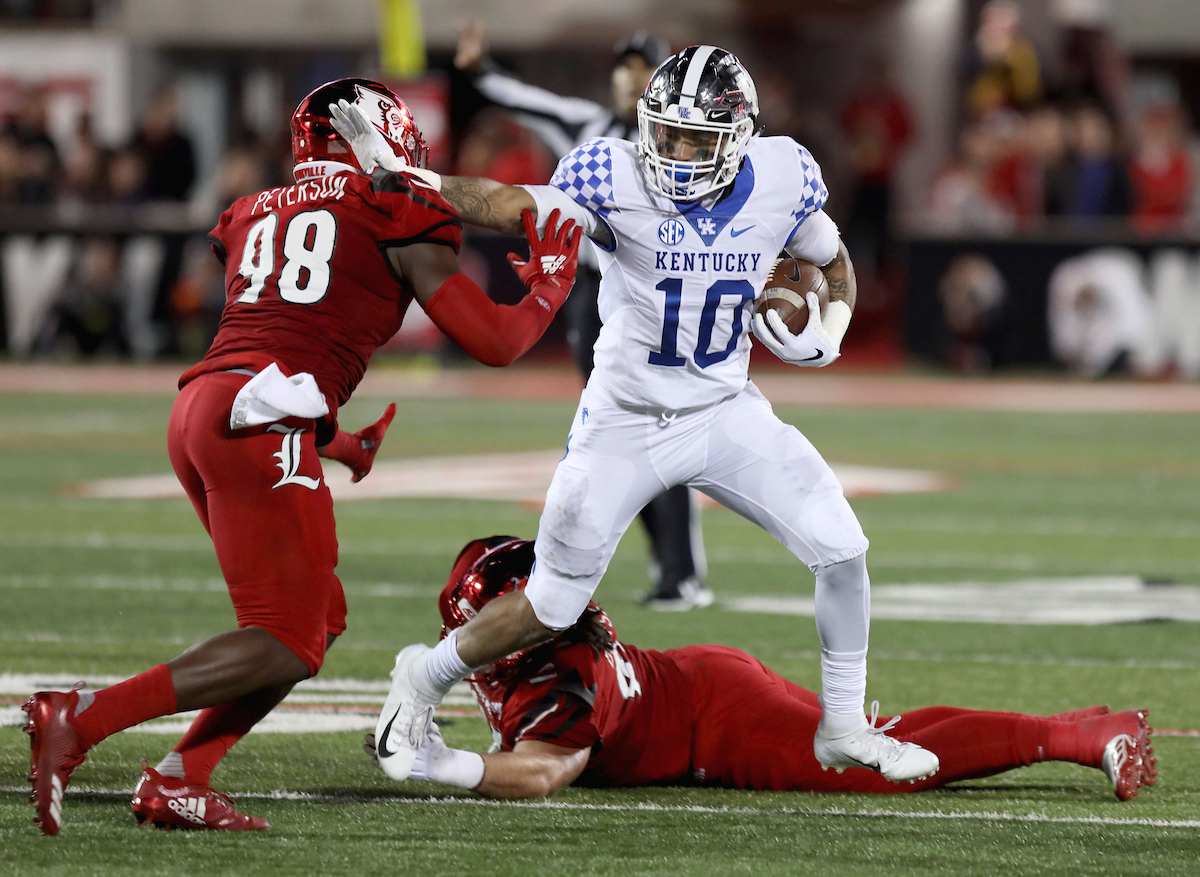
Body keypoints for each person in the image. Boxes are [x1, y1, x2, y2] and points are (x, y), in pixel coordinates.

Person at [332, 45, 939, 786]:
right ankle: (422, 676)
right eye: (665, 133)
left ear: (738, 138)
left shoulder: (783, 175)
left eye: (695, 139)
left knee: (843, 549)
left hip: (724, 410)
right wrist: (406, 177)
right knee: (553, 604)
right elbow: (509, 203)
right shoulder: (612, 174)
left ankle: (843, 725)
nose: (674, 154)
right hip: (625, 418)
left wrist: (831, 331)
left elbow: (833, 259)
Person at [22, 77, 581, 836]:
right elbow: (495, 342)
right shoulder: (394, 206)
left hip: (206, 410)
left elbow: (277, 341)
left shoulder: (254, 208)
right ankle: (82, 718)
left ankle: (182, 776)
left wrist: (338, 441)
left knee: (317, 618)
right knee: (286, 635)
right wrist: (551, 284)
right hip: (260, 421)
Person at [367, 536, 1157, 802]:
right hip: (702, 679)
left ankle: (1080, 736)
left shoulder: (562, 674)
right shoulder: (535, 648)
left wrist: (445, 763)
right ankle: (1076, 725)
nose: (468, 638)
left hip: (713, 722)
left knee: (875, 767)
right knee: (882, 734)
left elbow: (546, 770)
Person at [455, 23, 710, 611]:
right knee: (616, 424)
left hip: (656, 291)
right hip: (595, 292)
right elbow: (526, 100)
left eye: (643, 69)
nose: (631, 79)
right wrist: (480, 70)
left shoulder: (683, 138)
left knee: (662, 426)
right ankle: (665, 562)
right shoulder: (587, 126)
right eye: (625, 67)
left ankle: (682, 572)